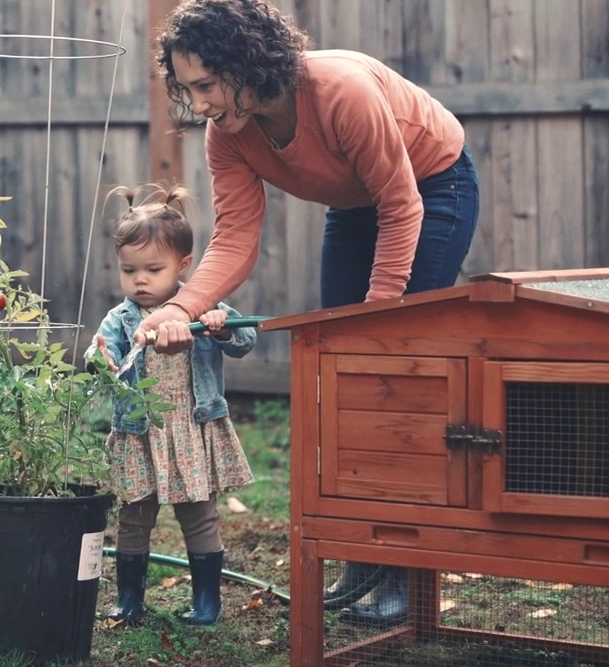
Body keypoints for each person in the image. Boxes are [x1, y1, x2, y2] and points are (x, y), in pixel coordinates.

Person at [137, 0, 481, 624]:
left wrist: (379, 320)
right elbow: (238, 235)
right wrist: (179, 308)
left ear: (246, 63)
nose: (202, 103)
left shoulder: (340, 92)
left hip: (433, 188)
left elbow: (402, 207)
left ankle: (407, 572)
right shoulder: (229, 135)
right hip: (355, 206)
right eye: (188, 89)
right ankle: (360, 563)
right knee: (341, 380)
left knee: (396, 378)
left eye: (208, 85)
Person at [90, 184, 257, 627]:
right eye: (129, 270)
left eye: (153, 269)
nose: (139, 280)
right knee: (133, 517)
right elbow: (99, 354)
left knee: (199, 516)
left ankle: (207, 602)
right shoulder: (122, 318)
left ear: (184, 266)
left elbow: (246, 340)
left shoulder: (202, 309)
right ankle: (129, 600)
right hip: (140, 432)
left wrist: (219, 327)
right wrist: (100, 360)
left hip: (191, 427)